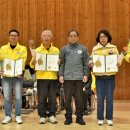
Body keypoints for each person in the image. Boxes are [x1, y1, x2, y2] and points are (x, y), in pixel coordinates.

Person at [59, 29, 89, 125]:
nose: (73, 37)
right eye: (71, 36)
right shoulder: (64, 49)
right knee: (67, 99)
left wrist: (85, 74)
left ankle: (79, 117)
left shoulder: (83, 49)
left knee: (79, 99)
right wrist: (61, 75)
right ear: (68, 37)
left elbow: (86, 64)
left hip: (79, 78)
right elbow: (61, 64)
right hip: (67, 78)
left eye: (74, 35)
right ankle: (68, 117)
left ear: (77, 37)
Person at [89, 29, 119, 126]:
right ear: (98, 38)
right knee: (100, 99)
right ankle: (100, 118)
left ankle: (109, 118)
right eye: (101, 37)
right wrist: (90, 63)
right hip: (99, 78)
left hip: (110, 77)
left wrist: (118, 63)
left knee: (110, 99)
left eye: (104, 37)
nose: (102, 39)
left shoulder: (114, 48)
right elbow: (90, 59)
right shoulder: (95, 49)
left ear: (108, 38)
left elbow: (118, 60)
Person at [30, 30, 59, 124]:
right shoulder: (37, 50)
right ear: (41, 38)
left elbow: (59, 63)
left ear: (51, 38)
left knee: (52, 98)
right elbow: (31, 64)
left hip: (53, 77)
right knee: (42, 98)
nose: (46, 37)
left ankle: (51, 115)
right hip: (41, 77)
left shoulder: (56, 50)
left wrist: (59, 63)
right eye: (44, 36)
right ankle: (42, 116)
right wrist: (33, 63)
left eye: (48, 36)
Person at [0, 29, 27, 124]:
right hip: (6, 77)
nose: (13, 37)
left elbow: (23, 62)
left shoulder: (23, 49)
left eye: (15, 35)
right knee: (7, 97)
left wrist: (21, 72)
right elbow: (0, 61)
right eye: (11, 35)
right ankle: (8, 116)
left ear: (18, 37)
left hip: (18, 76)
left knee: (18, 97)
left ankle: (18, 116)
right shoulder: (2, 49)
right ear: (9, 37)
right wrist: (0, 69)